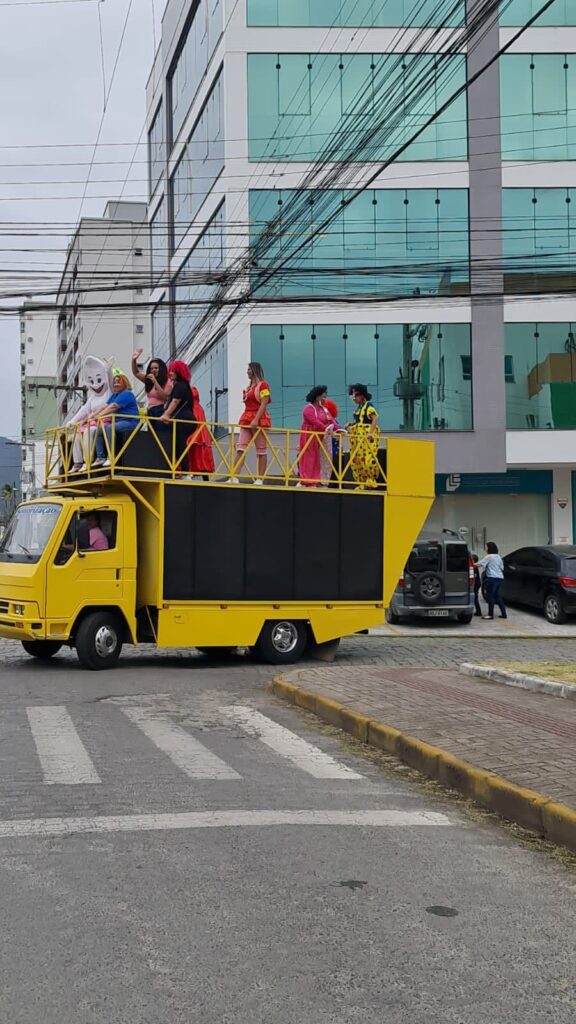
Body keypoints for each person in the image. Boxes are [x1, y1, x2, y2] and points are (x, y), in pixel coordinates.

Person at [228, 362, 271, 485]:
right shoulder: (248, 387)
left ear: (254, 370)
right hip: (246, 418)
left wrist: (256, 419)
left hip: (259, 419)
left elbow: (264, 403)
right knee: (241, 447)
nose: (247, 372)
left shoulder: (263, 385)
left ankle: (260, 479)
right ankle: (234, 476)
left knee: (261, 450)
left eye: (248, 369)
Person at [92, 371, 139, 468]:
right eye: (114, 382)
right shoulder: (114, 395)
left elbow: (113, 406)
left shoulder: (127, 394)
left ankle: (111, 456)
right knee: (99, 430)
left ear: (124, 383)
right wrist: (92, 416)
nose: (115, 384)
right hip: (119, 422)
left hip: (130, 422)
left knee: (109, 428)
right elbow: (104, 406)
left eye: (118, 382)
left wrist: (100, 415)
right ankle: (101, 457)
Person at [155, 360, 196, 473]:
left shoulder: (181, 386)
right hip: (182, 420)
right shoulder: (179, 386)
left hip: (185, 420)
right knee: (177, 445)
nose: (170, 373)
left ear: (179, 371)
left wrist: (166, 415)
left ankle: (185, 471)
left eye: (173, 371)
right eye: (170, 371)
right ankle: (180, 469)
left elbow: (175, 402)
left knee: (180, 445)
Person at [297, 386, 341, 488]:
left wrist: (338, 429)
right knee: (309, 458)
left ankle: (320, 481)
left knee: (323, 458)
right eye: (323, 397)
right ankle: (307, 480)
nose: (325, 399)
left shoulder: (324, 409)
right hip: (309, 436)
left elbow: (331, 420)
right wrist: (325, 428)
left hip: (322, 437)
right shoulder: (308, 409)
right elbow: (314, 421)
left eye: (325, 397)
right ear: (317, 397)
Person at [347, 384, 380, 489]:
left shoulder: (369, 406)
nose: (354, 398)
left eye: (355, 395)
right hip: (357, 438)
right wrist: (350, 424)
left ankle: (371, 480)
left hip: (366, 437)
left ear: (362, 395)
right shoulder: (359, 408)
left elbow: (374, 419)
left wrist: (370, 432)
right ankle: (362, 482)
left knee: (368, 458)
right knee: (357, 459)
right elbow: (358, 421)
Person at [186, 386, 215, 479]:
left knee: (196, 446)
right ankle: (192, 473)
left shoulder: (191, 390)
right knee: (196, 447)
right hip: (194, 414)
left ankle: (191, 473)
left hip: (194, 415)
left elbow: (193, 395)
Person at [131, 349, 169, 418]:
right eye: (151, 369)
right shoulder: (149, 381)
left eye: (156, 368)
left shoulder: (167, 381)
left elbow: (164, 397)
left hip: (160, 410)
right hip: (150, 411)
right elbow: (136, 373)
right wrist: (134, 360)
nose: (153, 370)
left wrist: (155, 382)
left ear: (161, 369)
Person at [475, 542, 507, 620]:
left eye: (486, 547)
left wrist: (470, 564)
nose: (485, 549)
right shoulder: (498, 557)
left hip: (492, 579)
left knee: (490, 596)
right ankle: (504, 614)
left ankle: (490, 615)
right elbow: (502, 568)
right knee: (498, 596)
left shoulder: (488, 557)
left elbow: (479, 564)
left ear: (489, 548)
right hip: (500, 578)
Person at [471, 552, 483, 617]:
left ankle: (479, 612)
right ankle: (478, 611)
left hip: (476, 584)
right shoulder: (474, 566)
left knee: (475, 597)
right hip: (477, 583)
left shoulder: (474, 567)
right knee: (475, 597)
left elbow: (474, 576)